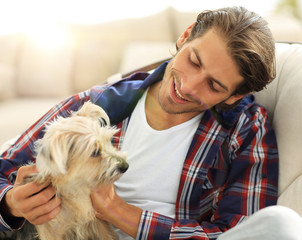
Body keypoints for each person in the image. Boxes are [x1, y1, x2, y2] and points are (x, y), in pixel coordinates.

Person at [0, 6, 279, 240]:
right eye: (194, 61)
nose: (188, 86)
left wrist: (117, 211)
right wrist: (11, 202)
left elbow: (242, 233)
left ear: (236, 95)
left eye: (214, 85)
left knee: (281, 226)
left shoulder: (246, 130)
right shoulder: (97, 104)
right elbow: (4, 169)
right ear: (185, 36)